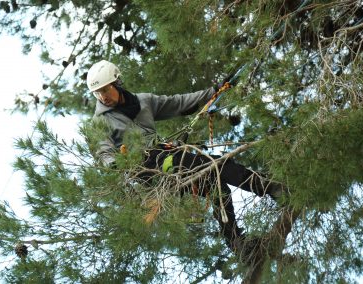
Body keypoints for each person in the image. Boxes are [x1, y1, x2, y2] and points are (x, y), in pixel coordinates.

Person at [86, 60, 286, 262]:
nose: (102, 97)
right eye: (97, 93)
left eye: (105, 89)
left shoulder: (143, 101)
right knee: (216, 165)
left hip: (167, 157)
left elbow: (179, 103)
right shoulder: (99, 121)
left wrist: (215, 91)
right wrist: (113, 163)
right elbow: (103, 151)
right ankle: (272, 188)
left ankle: (237, 243)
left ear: (117, 83)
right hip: (148, 168)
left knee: (217, 185)